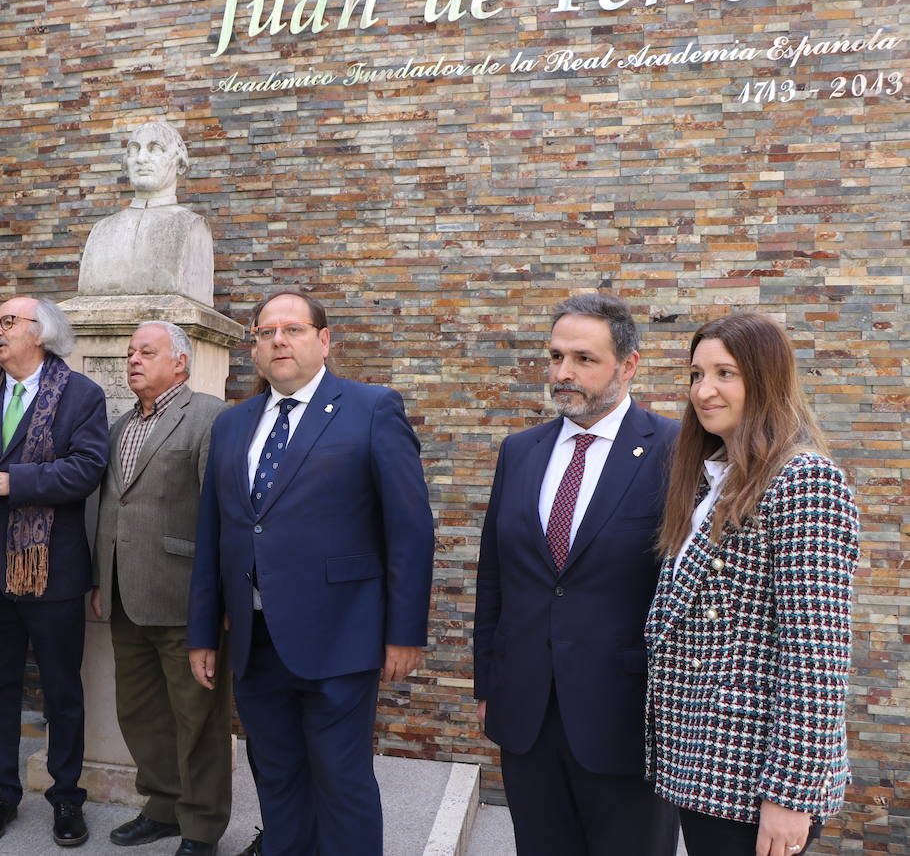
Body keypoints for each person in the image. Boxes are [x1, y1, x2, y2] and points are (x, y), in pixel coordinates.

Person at [187, 290, 435, 856]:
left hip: (341, 635)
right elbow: (214, 535)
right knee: (275, 776)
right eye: (266, 331)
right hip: (254, 640)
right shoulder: (232, 425)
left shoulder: (372, 408)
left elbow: (410, 528)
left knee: (341, 780)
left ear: (323, 341)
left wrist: (404, 632)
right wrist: (202, 632)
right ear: (253, 346)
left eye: (293, 329)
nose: (278, 340)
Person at [472, 293, 680, 856]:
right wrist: (488, 681)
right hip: (527, 710)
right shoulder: (520, 451)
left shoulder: (675, 449)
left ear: (628, 365)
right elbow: (495, 574)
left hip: (629, 715)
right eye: (556, 356)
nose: (564, 373)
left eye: (584, 359)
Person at [645, 313, 860, 856]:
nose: (704, 390)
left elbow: (815, 655)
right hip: (701, 757)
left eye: (725, 373)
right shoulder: (711, 478)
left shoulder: (804, 479)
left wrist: (792, 795)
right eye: (696, 374)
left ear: (766, 379)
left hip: (754, 776)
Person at [0, 296, 108, 848]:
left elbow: (86, 469)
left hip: (51, 572)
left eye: (8, 321)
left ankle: (66, 799)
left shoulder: (82, 395)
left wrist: (10, 482)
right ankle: (1, 792)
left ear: (42, 333)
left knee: (61, 689)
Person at [91, 322, 230, 856]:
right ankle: (164, 805)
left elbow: (219, 514)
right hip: (126, 593)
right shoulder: (121, 424)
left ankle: (201, 826)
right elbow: (112, 506)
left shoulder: (208, 417)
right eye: (129, 353)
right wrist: (103, 578)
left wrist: (214, 600)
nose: (132, 361)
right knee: (140, 710)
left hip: (183, 596)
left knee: (198, 717)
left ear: (180, 363)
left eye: (145, 352)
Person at [76, 120, 213, 307]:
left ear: (179, 163)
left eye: (155, 149)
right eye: (133, 150)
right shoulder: (102, 229)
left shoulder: (193, 227)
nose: (141, 159)